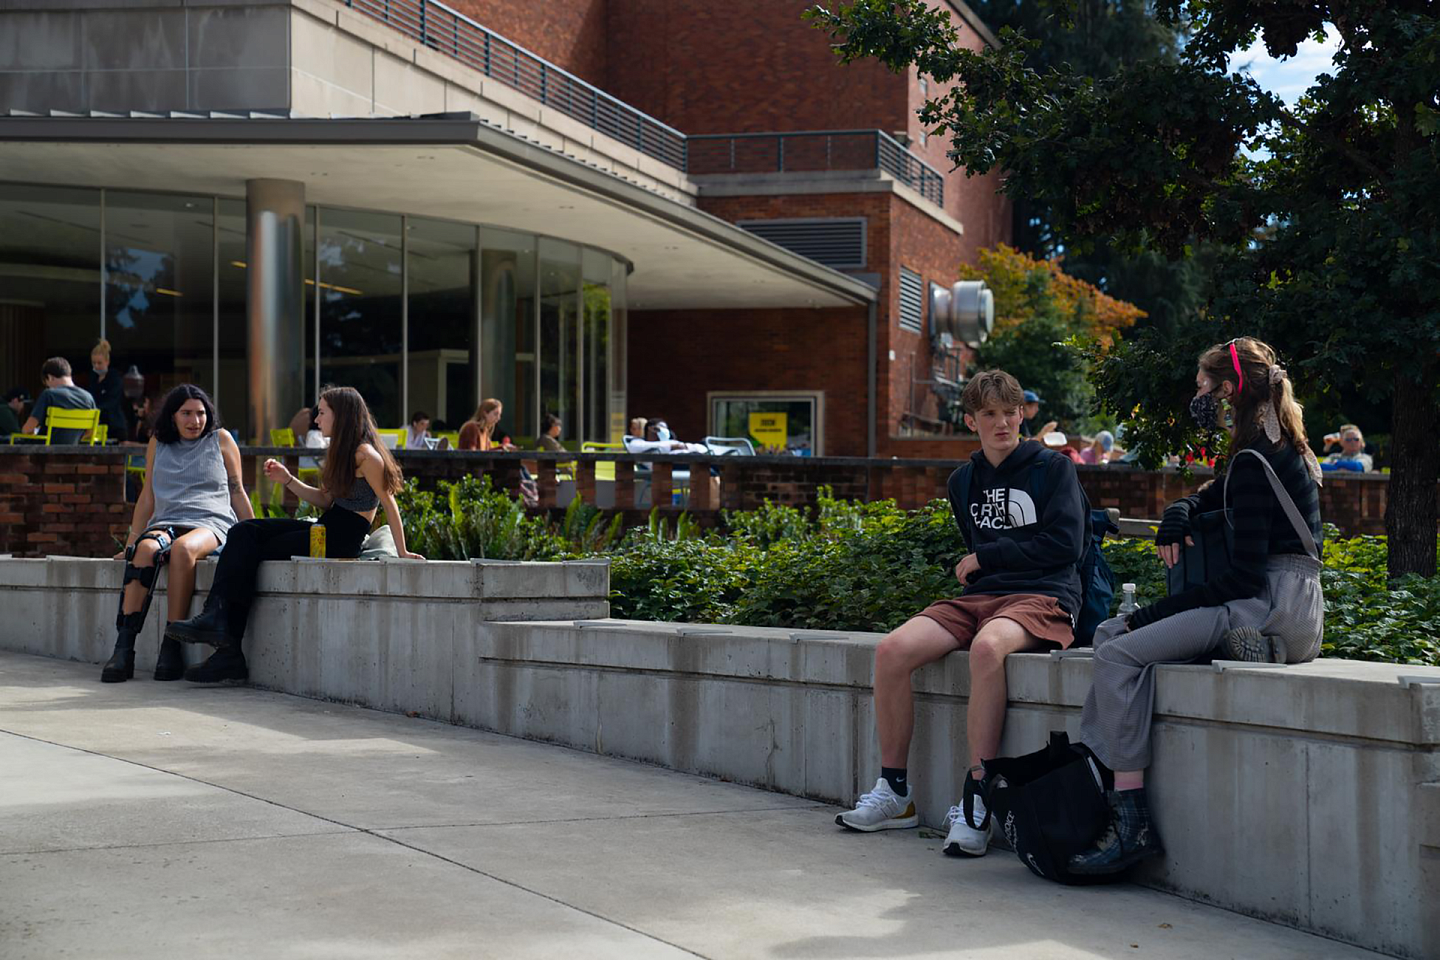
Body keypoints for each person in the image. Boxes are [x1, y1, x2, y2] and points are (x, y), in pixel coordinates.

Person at [1069, 337, 1324, 875]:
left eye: (1205, 385)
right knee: (1112, 634)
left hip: (1267, 605)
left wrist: (1158, 613)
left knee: (1118, 649)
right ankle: (1104, 780)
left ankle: (1130, 821)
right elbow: (1211, 495)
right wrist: (1178, 511)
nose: (1199, 393)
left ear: (1231, 388)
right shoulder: (1268, 447)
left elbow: (1242, 577)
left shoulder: (1258, 460)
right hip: (1286, 605)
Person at [834, 369, 1088, 859]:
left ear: (1021, 416)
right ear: (971, 421)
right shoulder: (963, 481)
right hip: (982, 597)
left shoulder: (1052, 470)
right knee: (891, 650)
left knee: (988, 648)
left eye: (1010, 412)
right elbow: (980, 556)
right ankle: (895, 794)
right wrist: (987, 565)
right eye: (989, 414)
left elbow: (1065, 546)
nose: (1002, 423)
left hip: (1045, 595)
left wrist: (990, 558)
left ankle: (978, 799)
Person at [166, 386, 424, 683]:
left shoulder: (366, 455)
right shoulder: (341, 451)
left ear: (341, 415)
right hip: (327, 526)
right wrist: (287, 479)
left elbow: (389, 504)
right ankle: (219, 627)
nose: (316, 420)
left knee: (250, 547)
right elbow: (326, 501)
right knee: (243, 531)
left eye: (322, 413)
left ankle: (225, 643)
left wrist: (402, 551)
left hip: (341, 538)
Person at [101, 385, 252, 683]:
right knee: (144, 552)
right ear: (172, 416)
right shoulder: (158, 442)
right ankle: (124, 647)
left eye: (201, 413)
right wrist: (131, 542)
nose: (195, 421)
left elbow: (237, 491)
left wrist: (255, 534)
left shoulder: (220, 440)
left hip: (211, 522)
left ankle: (171, 646)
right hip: (167, 520)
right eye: (187, 413)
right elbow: (147, 496)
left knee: (183, 550)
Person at [21, 357, 96, 443]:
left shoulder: (49, 394)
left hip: (46, 453)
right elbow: (90, 432)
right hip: (74, 453)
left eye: (47, 384)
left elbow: (27, 429)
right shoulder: (88, 398)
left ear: (50, 377)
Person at [88, 339, 127, 439]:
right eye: (94, 363)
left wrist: (96, 410)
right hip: (97, 424)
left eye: (99, 363)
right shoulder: (93, 378)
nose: (96, 366)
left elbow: (112, 401)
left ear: (107, 362)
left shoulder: (115, 379)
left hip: (114, 425)